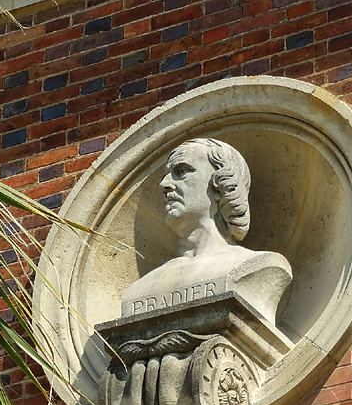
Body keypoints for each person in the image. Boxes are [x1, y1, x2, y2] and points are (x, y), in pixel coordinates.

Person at [121, 138, 292, 325]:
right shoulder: (140, 289)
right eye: (167, 175)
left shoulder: (260, 266)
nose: (165, 184)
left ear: (221, 185)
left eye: (182, 171)